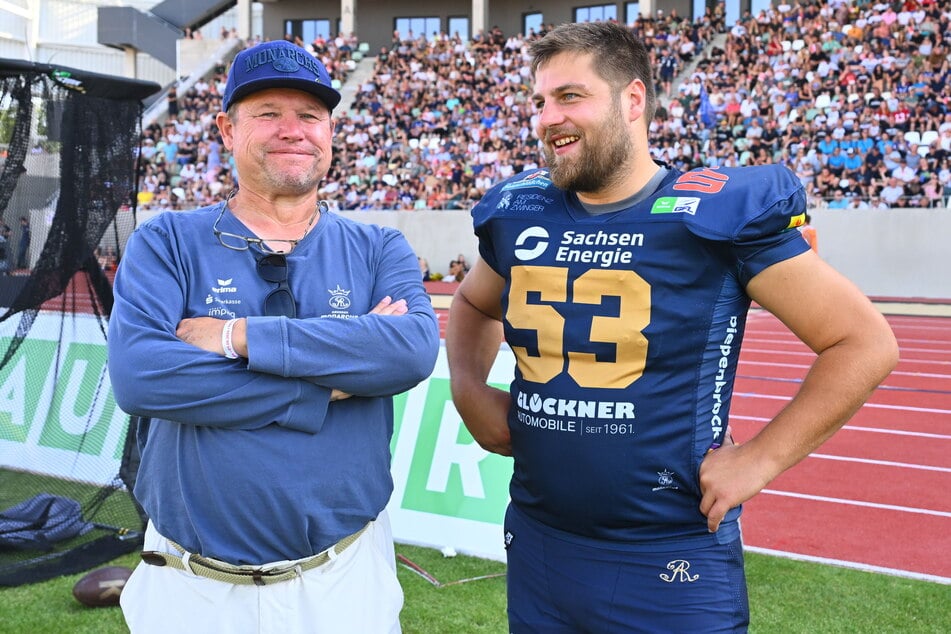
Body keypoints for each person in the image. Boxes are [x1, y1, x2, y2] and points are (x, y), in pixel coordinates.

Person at [445, 22, 898, 633]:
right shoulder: (521, 210)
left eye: (570, 96)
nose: (548, 118)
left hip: (670, 552)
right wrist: (468, 388)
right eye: (540, 101)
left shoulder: (709, 210)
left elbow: (863, 341)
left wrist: (760, 459)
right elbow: (473, 306)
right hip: (539, 539)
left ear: (633, 101)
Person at [108, 39, 440, 634]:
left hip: (343, 581)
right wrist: (319, 390)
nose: (293, 130)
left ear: (331, 132)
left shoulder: (378, 247)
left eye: (310, 115)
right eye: (267, 113)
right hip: (191, 589)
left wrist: (235, 336)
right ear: (226, 129)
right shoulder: (166, 242)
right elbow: (141, 376)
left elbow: (411, 349)